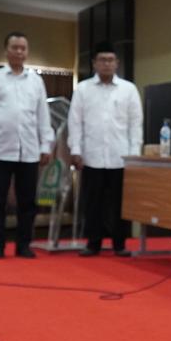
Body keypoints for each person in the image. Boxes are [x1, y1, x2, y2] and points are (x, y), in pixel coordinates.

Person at [0, 32, 53, 259]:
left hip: (29, 151)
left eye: (23, 48)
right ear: (6, 51)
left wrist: (45, 145)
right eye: (15, 47)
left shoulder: (36, 81)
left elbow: (43, 116)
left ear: (27, 52)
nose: (19, 52)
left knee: (27, 202)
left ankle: (23, 244)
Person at [67, 42, 142, 257]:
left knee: (119, 202)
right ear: (94, 63)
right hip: (92, 156)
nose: (106, 64)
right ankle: (93, 243)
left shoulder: (129, 89)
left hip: (121, 156)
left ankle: (120, 244)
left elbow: (135, 124)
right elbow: (75, 122)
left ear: (117, 63)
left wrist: (134, 155)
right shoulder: (83, 89)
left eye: (110, 60)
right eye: (102, 60)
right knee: (93, 202)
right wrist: (75, 149)